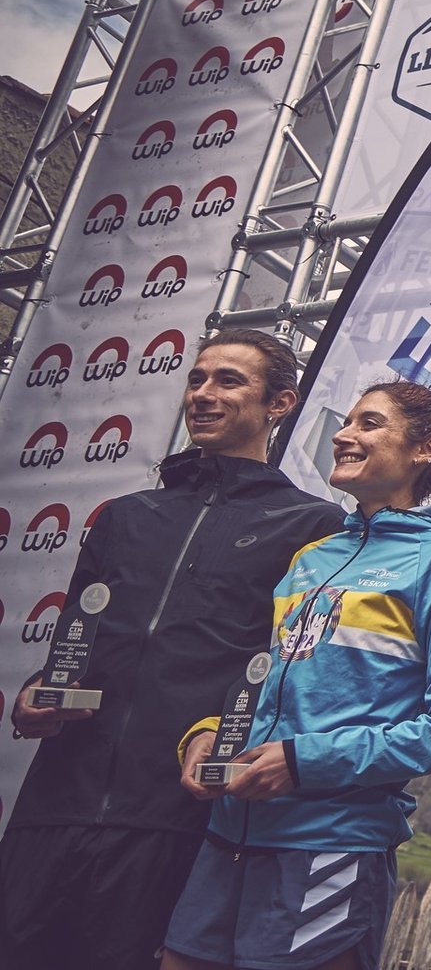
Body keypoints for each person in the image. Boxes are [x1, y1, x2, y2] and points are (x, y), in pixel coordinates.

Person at [0, 330, 345, 970]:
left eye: (229, 381)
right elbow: (71, 650)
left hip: (177, 818)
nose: (205, 394)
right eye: (198, 378)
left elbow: (299, 674)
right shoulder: (125, 517)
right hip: (54, 804)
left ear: (281, 402)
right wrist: (32, 697)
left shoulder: (314, 527)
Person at [164, 380, 431, 970]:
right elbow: (266, 689)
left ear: (426, 449)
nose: (343, 434)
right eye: (347, 422)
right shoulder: (310, 557)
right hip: (228, 835)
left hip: (331, 843)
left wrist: (304, 761)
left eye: (369, 424)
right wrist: (213, 734)